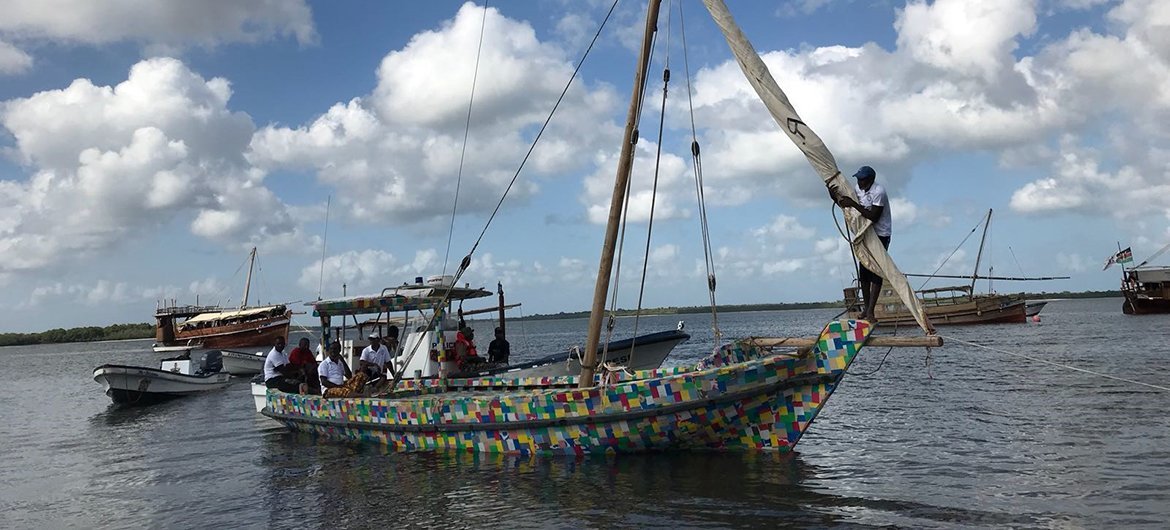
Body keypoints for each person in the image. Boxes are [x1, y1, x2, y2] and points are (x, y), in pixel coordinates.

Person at [828, 165, 892, 322]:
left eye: (862, 180)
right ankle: (866, 309)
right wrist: (833, 195)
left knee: (876, 272)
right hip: (865, 232)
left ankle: (871, 311)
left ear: (870, 179)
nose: (859, 182)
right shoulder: (858, 189)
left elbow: (874, 217)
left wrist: (854, 204)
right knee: (864, 272)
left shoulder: (879, 192)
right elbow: (845, 202)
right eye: (858, 179)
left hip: (880, 233)